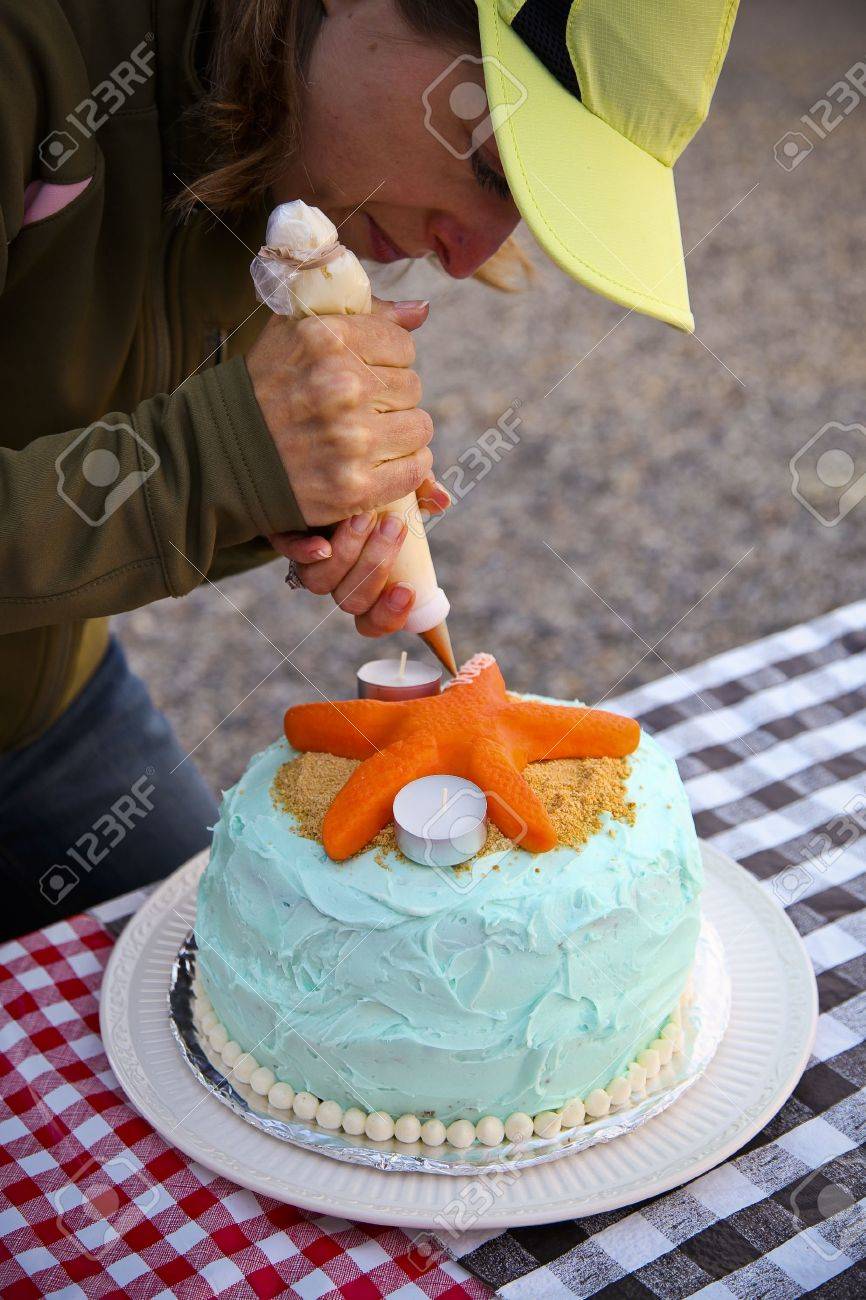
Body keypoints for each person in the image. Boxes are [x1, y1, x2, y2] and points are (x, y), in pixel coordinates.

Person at [0, 0, 740, 938]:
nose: (470, 258)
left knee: (244, 962)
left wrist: (277, 493)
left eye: (533, 207)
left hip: (47, 709)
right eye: (490, 169)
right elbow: (184, 450)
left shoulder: (286, 124)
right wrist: (211, 460)